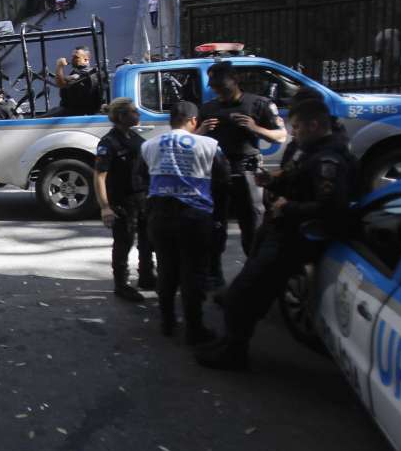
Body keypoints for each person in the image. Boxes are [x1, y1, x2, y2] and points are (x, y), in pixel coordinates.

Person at [197, 101, 356, 370]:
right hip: (281, 227)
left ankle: (234, 351)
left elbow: (332, 207)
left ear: (313, 125)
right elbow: (298, 176)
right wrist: (273, 180)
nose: (293, 133)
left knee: (244, 293)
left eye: (296, 127)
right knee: (248, 289)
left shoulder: (329, 158)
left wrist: (289, 207)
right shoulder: (311, 149)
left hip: (296, 235)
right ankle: (231, 342)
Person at [141, 101, 230, 346]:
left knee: (167, 270)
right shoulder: (210, 145)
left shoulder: (149, 145)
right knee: (194, 273)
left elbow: (139, 176)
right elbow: (223, 177)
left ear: (171, 120)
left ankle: (167, 322)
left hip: (160, 216)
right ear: (193, 121)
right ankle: (194, 327)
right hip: (195, 216)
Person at [198, 60, 287, 287]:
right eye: (214, 86)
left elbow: (281, 136)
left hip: (246, 171)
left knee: (253, 226)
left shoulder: (258, 104)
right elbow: (193, 140)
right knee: (214, 225)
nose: (218, 90)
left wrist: (254, 127)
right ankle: (213, 273)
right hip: (216, 173)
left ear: (235, 80)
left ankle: (255, 277)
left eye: (222, 85)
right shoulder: (208, 108)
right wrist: (202, 130)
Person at [95, 98, 155, 302]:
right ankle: (121, 284)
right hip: (122, 201)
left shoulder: (135, 137)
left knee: (147, 239)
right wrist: (105, 207)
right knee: (124, 242)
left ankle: (147, 276)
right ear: (121, 116)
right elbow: (99, 176)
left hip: (142, 197)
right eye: (133, 112)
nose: (137, 115)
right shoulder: (108, 142)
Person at [51, 47, 103, 117]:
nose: (72, 60)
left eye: (76, 57)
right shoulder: (78, 72)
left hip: (75, 112)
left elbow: (61, 84)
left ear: (86, 59)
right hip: (69, 110)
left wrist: (59, 66)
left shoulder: (86, 73)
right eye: (72, 57)